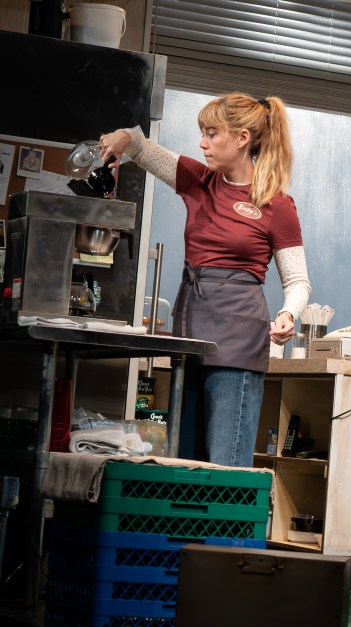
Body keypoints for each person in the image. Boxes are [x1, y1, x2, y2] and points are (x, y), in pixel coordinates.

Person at [98, 93, 311, 467]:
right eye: (203, 134)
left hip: (238, 341)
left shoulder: (277, 205)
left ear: (242, 138)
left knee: (225, 461)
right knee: (185, 459)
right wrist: (123, 138)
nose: (202, 143)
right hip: (191, 335)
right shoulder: (199, 181)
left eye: (212, 134)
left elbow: (297, 281)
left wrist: (288, 314)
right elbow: (143, 149)